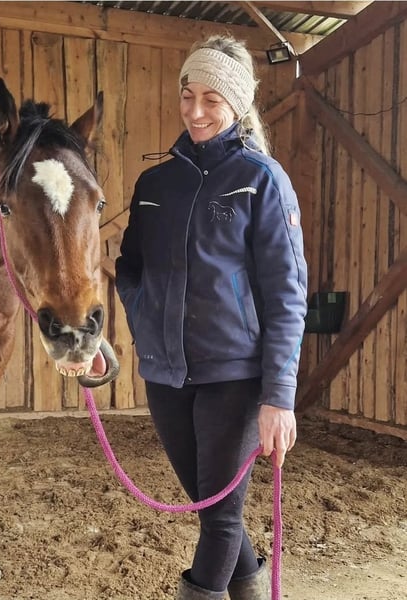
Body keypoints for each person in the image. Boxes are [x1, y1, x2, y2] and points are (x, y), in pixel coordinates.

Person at [115, 35, 307, 600]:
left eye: (212, 99)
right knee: (211, 507)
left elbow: (287, 293)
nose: (195, 111)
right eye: (187, 95)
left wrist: (279, 397)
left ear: (237, 105)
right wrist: (144, 321)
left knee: (220, 518)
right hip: (166, 376)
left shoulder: (261, 179)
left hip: (235, 377)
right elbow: (130, 269)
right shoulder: (154, 184)